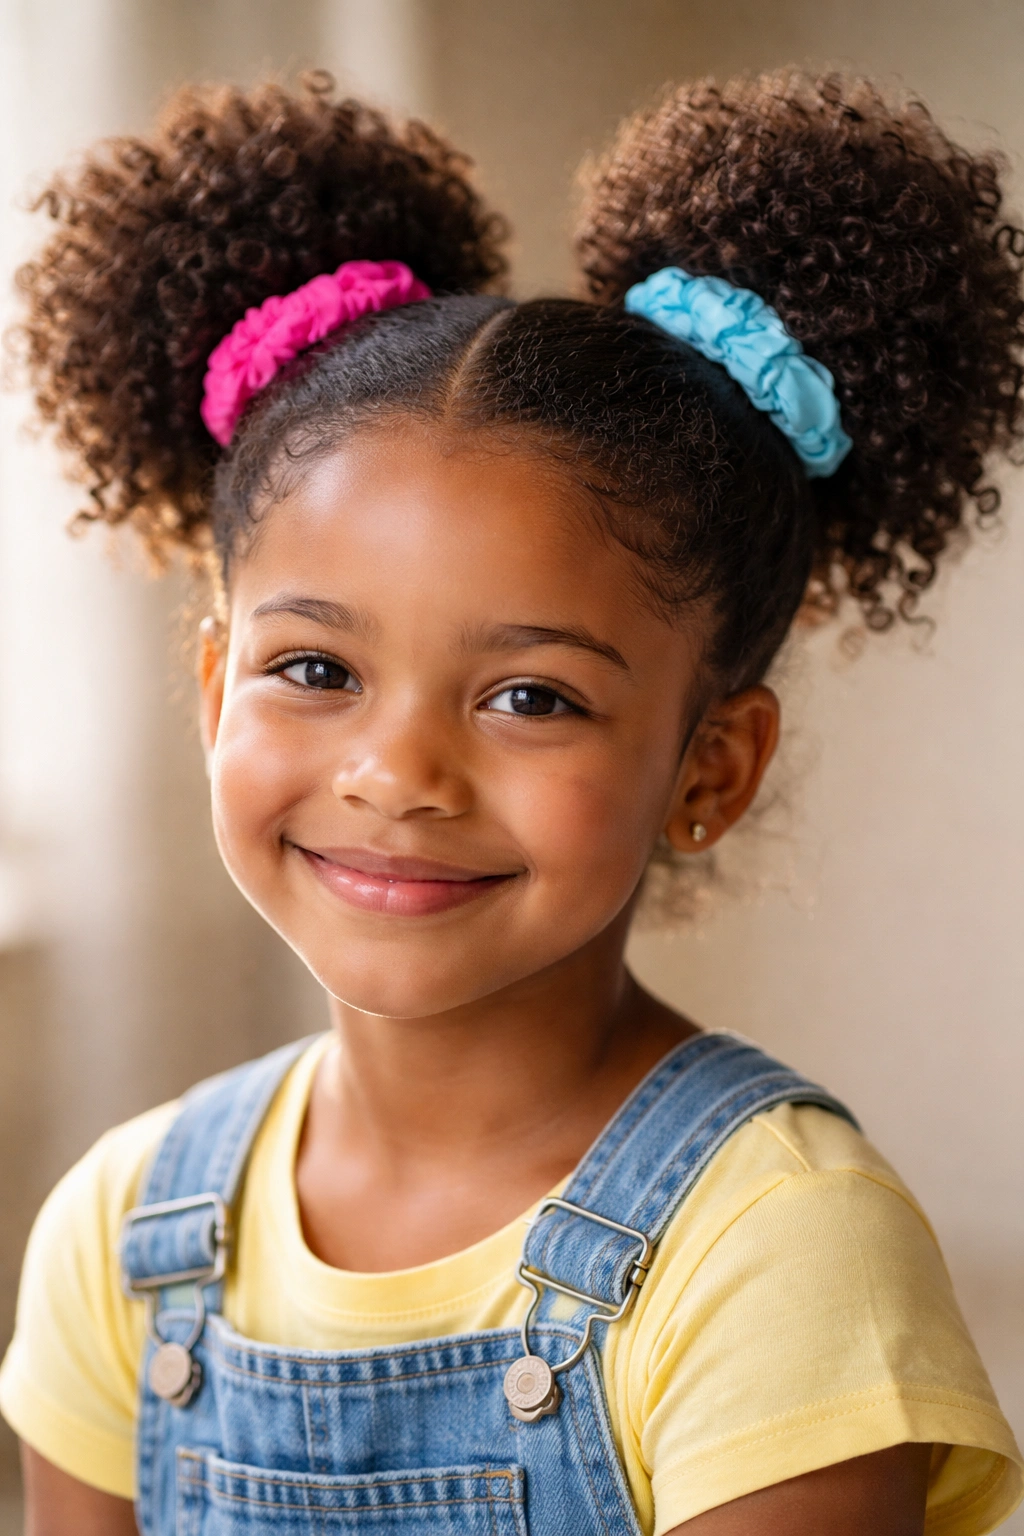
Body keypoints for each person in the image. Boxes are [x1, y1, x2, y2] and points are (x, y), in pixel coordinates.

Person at [1, 69, 1021, 1536]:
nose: (397, 773)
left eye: (532, 697)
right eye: (315, 669)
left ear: (709, 768)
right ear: (217, 692)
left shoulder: (779, 1249)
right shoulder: (123, 1231)